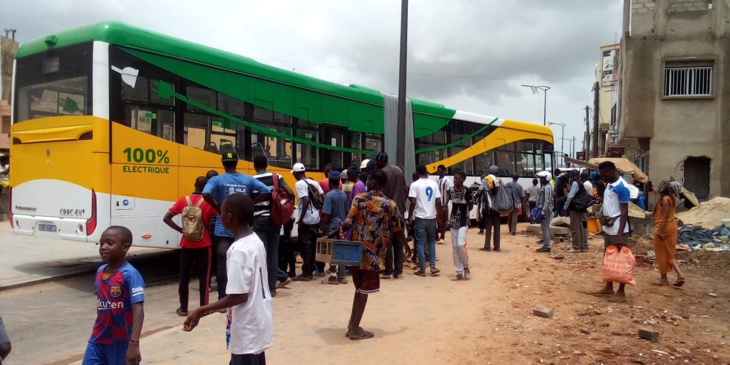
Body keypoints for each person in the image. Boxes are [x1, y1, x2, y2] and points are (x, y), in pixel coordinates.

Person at [184, 194, 273, 364]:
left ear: (230, 217)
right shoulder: (255, 240)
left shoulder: (238, 251)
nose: (220, 216)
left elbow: (239, 295)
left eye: (222, 212)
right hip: (258, 323)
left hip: (247, 329)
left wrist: (201, 310)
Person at [341, 169, 407, 340]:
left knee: (359, 289)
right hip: (373, 255)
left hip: (356, 252)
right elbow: (397, 229)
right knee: (363, 290)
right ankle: (355, 329)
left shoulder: (359, 199)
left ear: (373, 182)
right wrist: (407, 246)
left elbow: (348, 221)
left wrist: (340, 229)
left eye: (369, 179)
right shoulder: (389, 204)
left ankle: (352, 324)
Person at [203, 149, 270, 300]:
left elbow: (206, 194)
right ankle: (241, 295)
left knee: (222, 264)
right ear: (236, 163)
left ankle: (222, 297)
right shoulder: (247, 179)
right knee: (244, 263)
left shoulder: (217, 180)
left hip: (223, 229)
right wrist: (250, 204)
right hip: (242, 229)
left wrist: (218, 208)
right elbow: (265, 190)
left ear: (222, 164)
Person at [83, 226, 145, 365]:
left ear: (125, 247)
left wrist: (134, 343)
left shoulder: (130, 274)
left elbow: (139, 310)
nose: (103, 247)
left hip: (121, 341)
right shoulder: (100, 271)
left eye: (109, 243)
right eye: (101, 243)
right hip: (98, 338)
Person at [163, 176, 218, 316]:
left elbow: (166, 218)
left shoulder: (183, 201)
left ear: (194, 185)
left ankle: (183, 308)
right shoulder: (209, 202)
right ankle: (204, 309)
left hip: (186, 243)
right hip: (204, 243)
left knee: (184, 277)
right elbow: (219, 217)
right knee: (204, 278)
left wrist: (181, 230)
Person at [252, 155, 295, 296]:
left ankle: (262, 287)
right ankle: (272, 288)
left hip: (259, 221)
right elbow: (290, 192)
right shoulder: (276, 177)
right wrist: (288, 208)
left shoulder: (252, 180)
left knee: (261, 254)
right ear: (267, 164)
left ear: (254, 165)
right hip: (275, 220)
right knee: (273, 253)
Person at [593, 161, 631, 303]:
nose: (603, 177)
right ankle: (609, 287)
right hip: (609, 228)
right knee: (609, 260)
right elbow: (608, 203)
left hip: (618, 230)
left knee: (621, 261)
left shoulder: (622, 188)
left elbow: (624, 211)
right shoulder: (609, 184)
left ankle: (621, 292)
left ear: (611, 171)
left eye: (604, 175)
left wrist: (620, 233)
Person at [374, 151, 408, 280]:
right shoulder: (398, 170)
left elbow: (382, 192)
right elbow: (404, 189)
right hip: (400, 210)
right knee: (398, 243)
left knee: (387, 242)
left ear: (381, 161)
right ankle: (398, 271)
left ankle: (388, 270)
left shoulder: (383, 173)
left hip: (387, 211)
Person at [292, 162, 325, 281]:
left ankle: (306, 273)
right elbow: (323, 197)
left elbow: (305, 199)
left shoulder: (299, 184)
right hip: (316, 219)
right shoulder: (314, 182)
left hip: (306, 220)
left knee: (305, 248)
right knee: (313, 246)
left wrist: (301, 219)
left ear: (295, 173)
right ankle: (311, 270)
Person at [408, 164, 442, 276]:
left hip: (420, 217)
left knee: (420, 243)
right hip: (432, 217)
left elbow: (413, 202)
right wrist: (439, 217)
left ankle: (422, 269)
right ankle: (432, 266)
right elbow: (438, 202)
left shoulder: (415, 184)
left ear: (417, 172)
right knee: (432, 241)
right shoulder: (434, 183)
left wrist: (409, 217)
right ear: (426, 172)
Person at [651, 179, 685, 287]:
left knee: (661, 253)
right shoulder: (671, 199)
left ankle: (664, 279)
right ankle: (680, 275)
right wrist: (654, 192)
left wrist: (659, 231)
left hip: (663, 227)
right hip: (671, 227)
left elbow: (664, 217)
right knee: (669, 253)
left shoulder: (665, 200)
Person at [320, 170, 349, 285]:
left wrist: (321, 227)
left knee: (331, 251)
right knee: (341, 250)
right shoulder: (343, 195)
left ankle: (333, 276)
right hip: (342, 226)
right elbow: (347, 212)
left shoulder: (329, 196)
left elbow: (326, 214)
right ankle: (342, 276)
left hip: (332, 226)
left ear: (329, 182)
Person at [446, 170, 472, 280]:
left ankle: (466, 266)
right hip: (453, 221)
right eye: (454, 178)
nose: (454, 180)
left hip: (463, 221)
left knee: (461, 244)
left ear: (463, 179)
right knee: (455, 247)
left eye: (457, 178)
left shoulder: (467, 191)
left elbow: (470, 206)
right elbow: (447, 203)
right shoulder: (451, 190)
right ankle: (458, 272)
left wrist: (464, 214)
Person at [563, 169, 588, 253]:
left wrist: (565, 207)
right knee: (580, 226)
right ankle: (582, 246)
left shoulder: (575, 183)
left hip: (574, 207)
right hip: (581, 208)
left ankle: (576, 247)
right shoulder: (581, 183)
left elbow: (570, 196)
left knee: (574, 227)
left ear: (573, 175)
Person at [479, 165, 502, 252]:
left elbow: (480, 190)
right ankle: (497, 247)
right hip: (497, 207)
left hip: (488, 207)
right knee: (497, 227)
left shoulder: (486, 179)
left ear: (489, 171)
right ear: (497, 173)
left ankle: (487, 246)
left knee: (488, 226)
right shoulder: (499, 180)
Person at [535, 173, 555, 253]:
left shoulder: (547, 187)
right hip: (546, 209)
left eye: (542, 178)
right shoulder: (547, 186)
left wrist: (543, 212)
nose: (540, 180)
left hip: (545, 210)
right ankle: (546, 244)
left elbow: (547, 200)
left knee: (545, 227)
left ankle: (546, 246)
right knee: (545, 227)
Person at [436, 164, 452, 244]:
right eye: (438, 171)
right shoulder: (437, 180)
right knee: (437, 220)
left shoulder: (447, 180)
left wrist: (445, 205)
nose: (439, 172)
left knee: (443, 221)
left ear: (443, 171)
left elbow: (448, 194)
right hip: (437, 203)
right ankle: (437, 237)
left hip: (443, 203)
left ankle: (442, 237)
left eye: (440, 171)